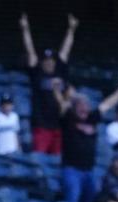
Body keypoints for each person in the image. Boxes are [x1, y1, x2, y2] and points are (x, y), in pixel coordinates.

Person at [54, 80, 118, 202]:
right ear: (74, 108)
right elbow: (62, 105)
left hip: (89, 171)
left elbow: (108, 104)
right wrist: (56, 91)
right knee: (72, 201)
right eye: (80, 106)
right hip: (71, 170)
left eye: (86, 106)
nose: (84, 109)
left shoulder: (92, 118)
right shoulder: (68, 118)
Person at [19, 12, 78, 155]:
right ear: (42, 62)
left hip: (59, 126)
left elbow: (66, 50)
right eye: (46, 60)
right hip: (41, 126)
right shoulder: (37, 73)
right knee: (40, 160)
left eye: (51, 60)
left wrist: (71, 29)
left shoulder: (60, 72)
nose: (49, 62)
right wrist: (25, 29)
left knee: (58, 162)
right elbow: (30, 50)